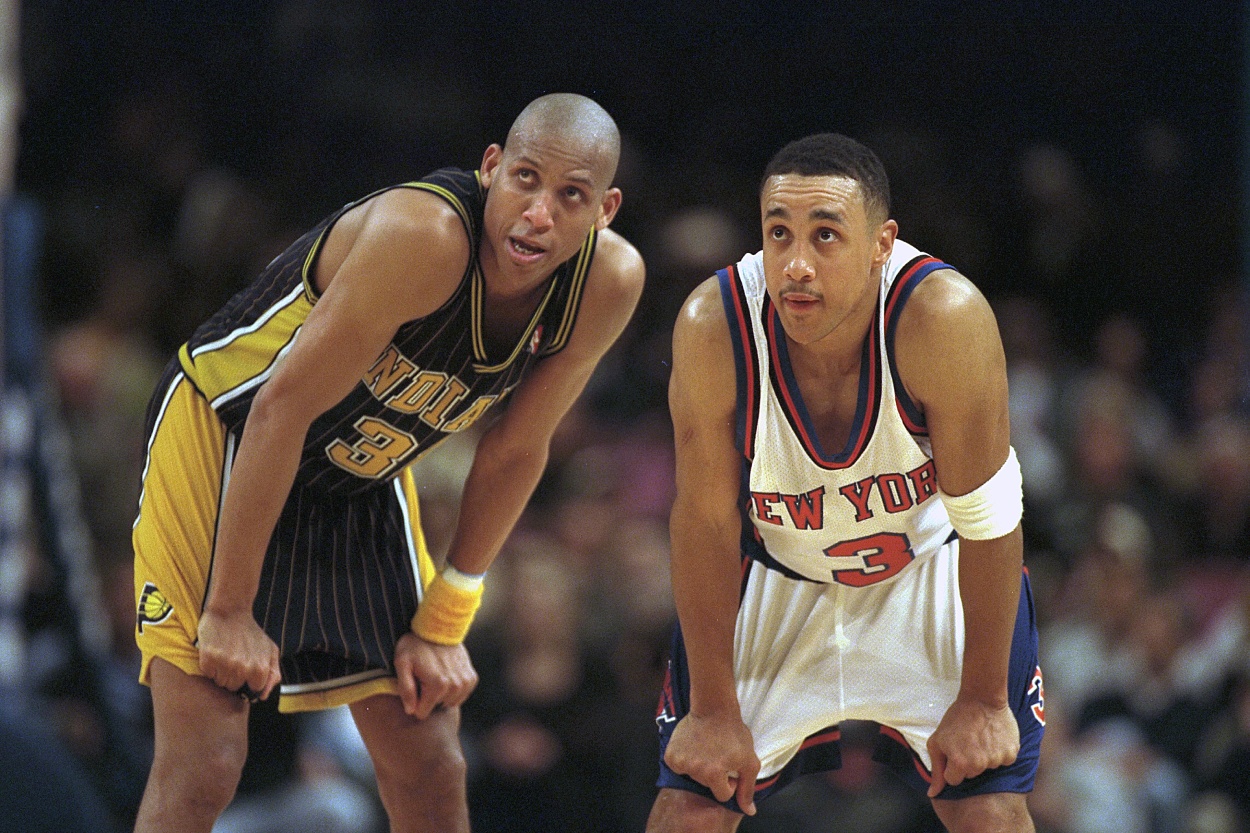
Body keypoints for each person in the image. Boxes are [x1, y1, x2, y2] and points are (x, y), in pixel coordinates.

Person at [129, 92, 645, 833]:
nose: (539, 213)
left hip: (355, 469)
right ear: (491, 167)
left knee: (431, 759)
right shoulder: (426, 234)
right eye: (526, 180)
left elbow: (514, 448)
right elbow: (279, 407)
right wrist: (230, 610)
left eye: (571, 196)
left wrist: (444, 619)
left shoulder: (607, 283)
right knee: (206, 760)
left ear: (606, 210)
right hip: (227, 429)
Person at [647, 133, 1045, 833]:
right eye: (779, 233)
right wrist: (711, 712)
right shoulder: (715, 326)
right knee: (689, 807)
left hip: (927, 567)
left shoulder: (942, 318)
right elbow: (704, 525)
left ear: (880, 244)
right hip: (777, 571)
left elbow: (989, 517)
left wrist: (983, 699)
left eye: (825, 235)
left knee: (988, 804)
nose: (796, 263)